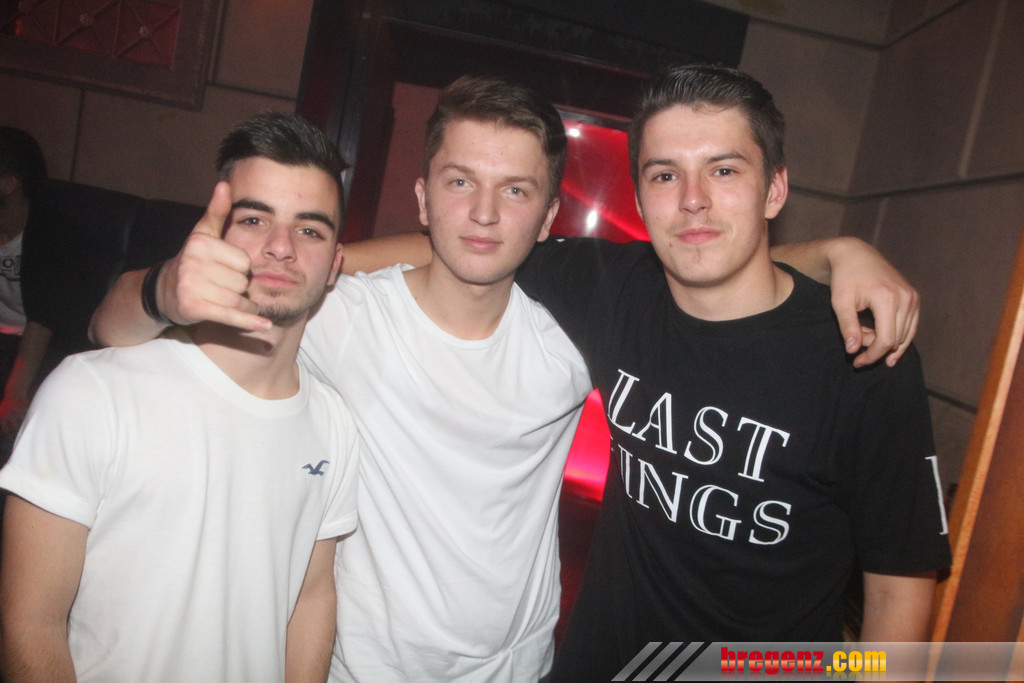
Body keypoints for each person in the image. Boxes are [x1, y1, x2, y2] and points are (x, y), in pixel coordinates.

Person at [89, 76, 922, 682]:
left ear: (548, 216)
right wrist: (204, 280)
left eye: (515, 190)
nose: (485, 213)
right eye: (461, 183)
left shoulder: (591, 320)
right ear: (425, 197)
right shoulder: (346, 314)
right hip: (383, 664)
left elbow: (900, 598)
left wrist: (844, 251)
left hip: (525, 666)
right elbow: (112, 329)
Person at [507, 65, 952, 681]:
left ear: (774, 189)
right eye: (666, 175)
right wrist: (336, 273)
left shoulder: (860, 357)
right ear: (641, 199)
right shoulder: (618, 290)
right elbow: (462, 251)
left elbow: (898, 591)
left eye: (724, 170)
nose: (693, 198)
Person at [0, 111, 360, 681]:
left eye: (310, 230)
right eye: (254, 219)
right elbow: (30, 624)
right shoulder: (93, 392)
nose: (281, 247)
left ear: (335, 265)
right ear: (210, 237)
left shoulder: (334, 423)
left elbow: (312, 594)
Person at [0, 127, 52, 454]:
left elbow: (43, 321)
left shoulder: (50, 234)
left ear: (9, 185)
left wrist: (15, 393)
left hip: (27, 343)